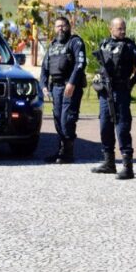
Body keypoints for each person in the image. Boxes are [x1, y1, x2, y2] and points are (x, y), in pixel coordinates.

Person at [90, 17, 136, 179]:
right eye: (119, 28)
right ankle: (109, 163)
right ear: (111, 29)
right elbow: (100, 67)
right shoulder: (104, 44)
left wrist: (131, 83)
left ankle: (128, 167)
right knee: (104, 126)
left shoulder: (130, 47)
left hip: (121, 91)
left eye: (124, 28)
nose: (122, 31)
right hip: (105, 92)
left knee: (122, 128)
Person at [39, 16, 86, 164]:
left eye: (63, 26)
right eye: (58, 26)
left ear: (69, 26)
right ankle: (61, 152)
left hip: (70, 87)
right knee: (58, 119)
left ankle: (68, 153)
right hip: (56, 88)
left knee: (67, 119)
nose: (60, 29)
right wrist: (44, 85)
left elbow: (80, 63)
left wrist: (71, 83)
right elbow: (44, 67)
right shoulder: (52, 46)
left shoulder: (75, 42)